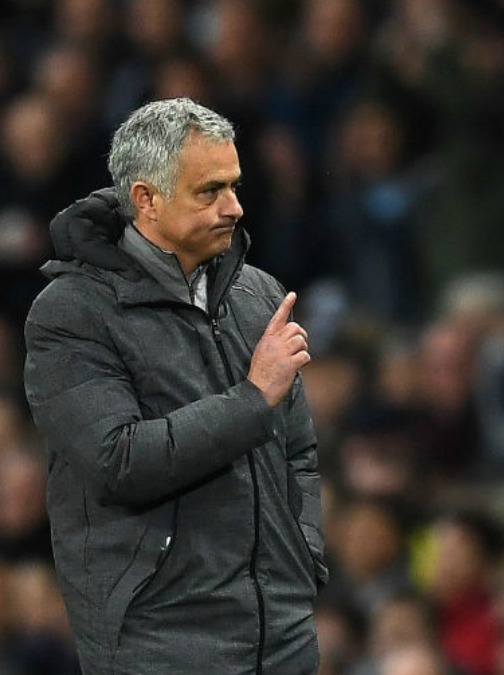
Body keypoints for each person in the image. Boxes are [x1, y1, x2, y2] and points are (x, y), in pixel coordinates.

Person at [22, 98, 326, 674]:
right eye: (208, 191)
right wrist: (251, 398)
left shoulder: (257, 294)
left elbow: (299, 452)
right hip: (159, 640)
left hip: (281, 634)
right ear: (146, 200)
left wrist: (302, 555)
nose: (234, 207)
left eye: (234, 186)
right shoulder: (72, 312)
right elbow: (119, 462)